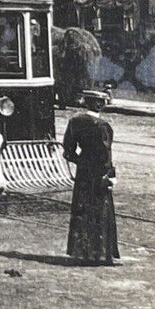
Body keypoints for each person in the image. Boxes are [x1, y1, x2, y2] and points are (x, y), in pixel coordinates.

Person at [63, 90, 119, 264]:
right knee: (101, 212)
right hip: (99, 174)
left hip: (83, 175)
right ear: (98, 104)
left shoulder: (74, 122)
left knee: (83, 211)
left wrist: (82, 162)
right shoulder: (103, 126)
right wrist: (110, 175)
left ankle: (82, 252)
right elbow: (105, 154)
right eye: (102, 102)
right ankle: (101, 254)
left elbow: (68, 152)